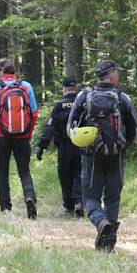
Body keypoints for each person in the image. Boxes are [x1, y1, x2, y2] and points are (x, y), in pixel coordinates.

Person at [67, 60, 137, 252]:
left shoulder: (84, 96)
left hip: (91, 156)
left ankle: (100, 223)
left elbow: (70, 126)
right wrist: (123, 146)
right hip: (116, 156)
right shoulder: (123, 98)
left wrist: (83, 141)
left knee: (90, 199)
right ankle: (108, 246)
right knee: (113, 200)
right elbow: (135, 130)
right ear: (113, 75)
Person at [0, 58, 39, 218]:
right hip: (23, 136)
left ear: (2, 71)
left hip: (2, 137)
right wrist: (28, 132)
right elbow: (34, 113)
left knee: (3, 173)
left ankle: (6, 208)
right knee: (24, 171)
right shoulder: (26, 86)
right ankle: (29, 196)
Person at [37, 77, 83, 216]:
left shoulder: (59, 105)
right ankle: (79, 201)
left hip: (64, 145)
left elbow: (50, 127)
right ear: (75, 88)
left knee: (65, 174)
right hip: (81, 145)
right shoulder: (82, 103)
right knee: (80, 172)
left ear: (63, 89)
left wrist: (42, 146)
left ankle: (69, 204)